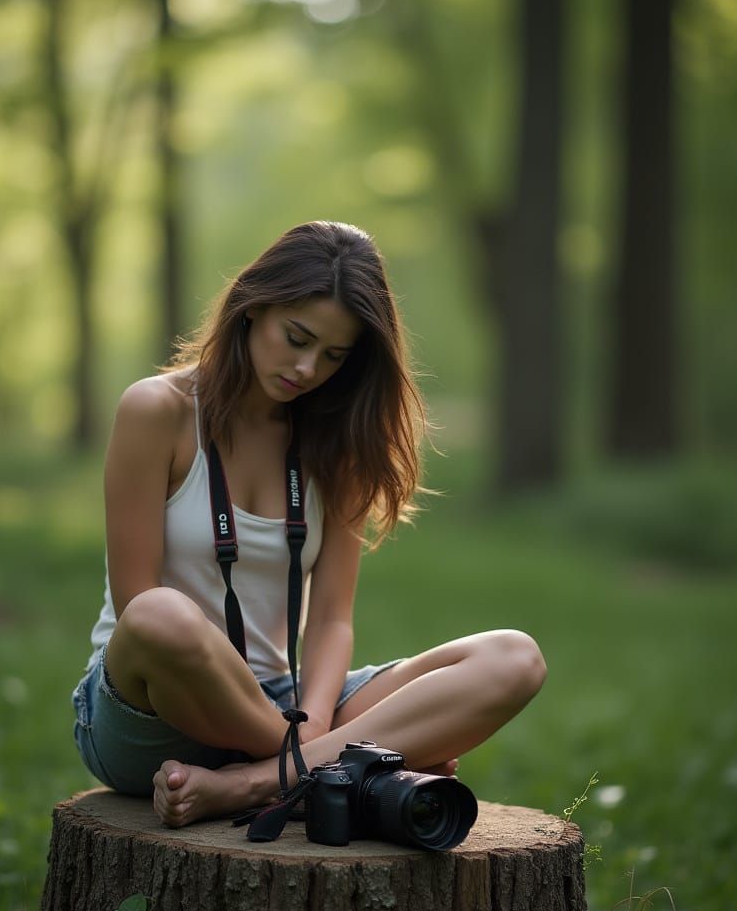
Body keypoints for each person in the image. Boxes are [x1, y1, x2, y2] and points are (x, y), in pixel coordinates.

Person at [71, 220, 546, 829]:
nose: (306, 367)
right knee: (161, 614)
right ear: (253, 306)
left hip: (286, 704)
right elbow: (136, 603)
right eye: (296, 337)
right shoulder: (157, 410)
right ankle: (333, 768)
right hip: (151, 708)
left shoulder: (336, 442)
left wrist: (315, 720)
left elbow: (330, 620)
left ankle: (257, 783)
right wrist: (330, 743)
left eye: (333, 356)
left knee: (515, 658)